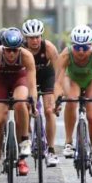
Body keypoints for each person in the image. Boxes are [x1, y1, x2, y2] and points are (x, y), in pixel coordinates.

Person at [53, 25, 92, 178]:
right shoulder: (66, 55)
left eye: (85, 47)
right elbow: (58, 82)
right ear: (72, 45)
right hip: (73, 80)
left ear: (90, 46)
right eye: (77, 47)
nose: (81, 51)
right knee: (71, 100)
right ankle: (68, 142)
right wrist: (57, 101)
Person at [0, 27, 37, 177]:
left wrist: (32, 103)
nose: (12, 53)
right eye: (8, 50)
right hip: (0, 82)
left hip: (19, 79)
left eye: (15, 50)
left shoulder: (26, 56)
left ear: (20, 48)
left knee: (21, 102)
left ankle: (25, 141)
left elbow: (32, 85)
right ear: (3, 48)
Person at [23, 18, 61, 166]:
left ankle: (51, 150)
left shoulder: (49, 48)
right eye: (31, 37)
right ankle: (29, 135)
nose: (35, 40)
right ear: (26, 38)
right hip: (27, 77)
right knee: (25, 107)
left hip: (46, 76)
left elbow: (59, 73)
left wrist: (58, 96)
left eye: (38, 37)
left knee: (49, 111)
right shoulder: (21, 49)